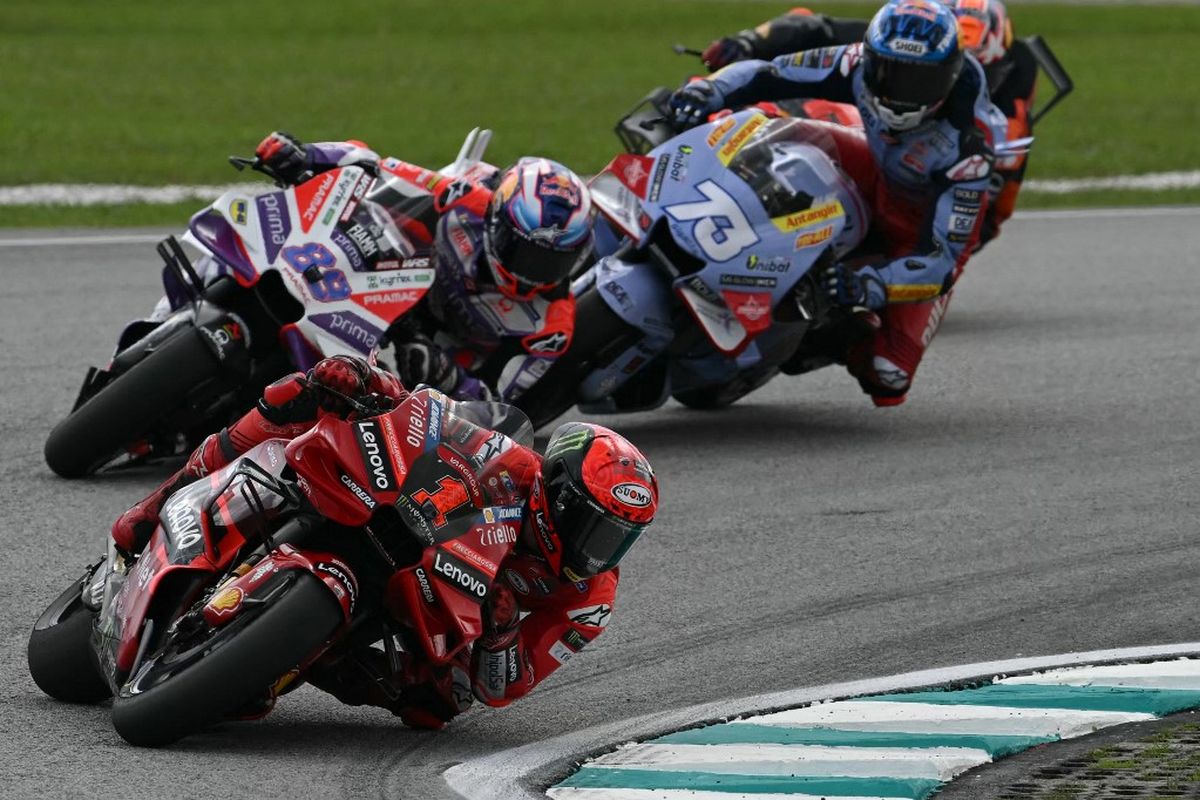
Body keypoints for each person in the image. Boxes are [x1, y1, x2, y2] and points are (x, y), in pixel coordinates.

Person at [110, 354, 659, 730]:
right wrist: (373, 386)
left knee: (435, 709)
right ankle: (156, 507)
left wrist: (499, 633)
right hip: (400, 525)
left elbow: (504, 686)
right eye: (596, 527)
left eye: (618, 539)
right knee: (298, 397)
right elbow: (433, 414)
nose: (599, 550)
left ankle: (271, 662)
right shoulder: (514, 464)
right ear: (557, 491)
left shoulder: (589, 601)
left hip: (439, 626)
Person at [668, 0, 997, 405]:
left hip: (914, 235)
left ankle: (826, 330)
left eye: (918, 83)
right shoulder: (854, 63)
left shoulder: (969, 146)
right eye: (889, 74)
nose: (898, 94)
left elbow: (940, 262)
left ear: (949, 78)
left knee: (888, 374)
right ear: (871, 58)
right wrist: (708, 90)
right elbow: (770, 72)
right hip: (872, 166)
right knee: (765, 124)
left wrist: (866, 287)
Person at [255, 132, 594, 403]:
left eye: (553, 261)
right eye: (524, 251)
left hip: (429, 362)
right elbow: (376, 166)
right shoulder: (467, 198)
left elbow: (498, 406)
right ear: (496, 220)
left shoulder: (553, 326)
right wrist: (308, 155)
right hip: (386, 283)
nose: (534, 270)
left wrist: (448, 376)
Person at [698, 0, 1035, 246]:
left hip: (904, 209)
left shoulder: (1001, 130)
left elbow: (993, 216)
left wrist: (934, 239)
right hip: (864, 135)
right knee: (794, 98)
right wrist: (748, 41)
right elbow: (807, 23)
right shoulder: (908, 44)